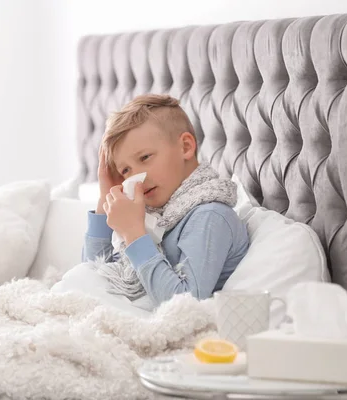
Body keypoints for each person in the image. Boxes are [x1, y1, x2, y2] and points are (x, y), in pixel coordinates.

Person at [81, 94, 249, 308]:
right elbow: (92, 278)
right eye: (126, 171)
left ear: (186, 147)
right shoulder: (154, 217)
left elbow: (184, 304)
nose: (136, 178)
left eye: (145, 158)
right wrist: (106, 197)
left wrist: (134, 235)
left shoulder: (210, 216)